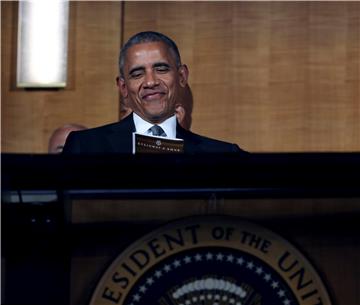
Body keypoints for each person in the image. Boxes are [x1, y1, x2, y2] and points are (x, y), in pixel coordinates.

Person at [63, 31, 245, 154]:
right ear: (123, 87)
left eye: (161, 69)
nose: (150, 82)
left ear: (181, 76)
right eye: (137, 74)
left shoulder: (223, 156)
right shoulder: (86, 147)